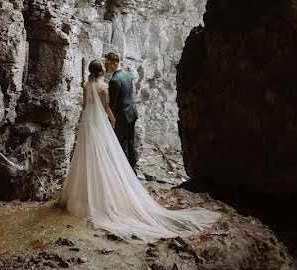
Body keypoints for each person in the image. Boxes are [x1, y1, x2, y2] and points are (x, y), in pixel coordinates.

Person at [57, 60, 220, 242]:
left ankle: (82, 194)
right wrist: (112, 120)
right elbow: (105, 107)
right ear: (101, 71)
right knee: (104, 153)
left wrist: (87, 117)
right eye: (103, 66)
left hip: (88, 119)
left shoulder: (86, 85)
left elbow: (84, 104)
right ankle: (101, 194)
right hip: (98, 121)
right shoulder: (103, 86)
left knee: (86, 153)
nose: (105, 67)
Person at [104, 52, 138, 172]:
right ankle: (132, 168)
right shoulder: (127, 75)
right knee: (130, 141)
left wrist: (109, 119)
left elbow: (113, 103)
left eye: (107, 64)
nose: (105, 66)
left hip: (121, 116)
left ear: (114, 64)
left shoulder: (114, 80)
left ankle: (121, 170)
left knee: (118, 142)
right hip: (131, 113)